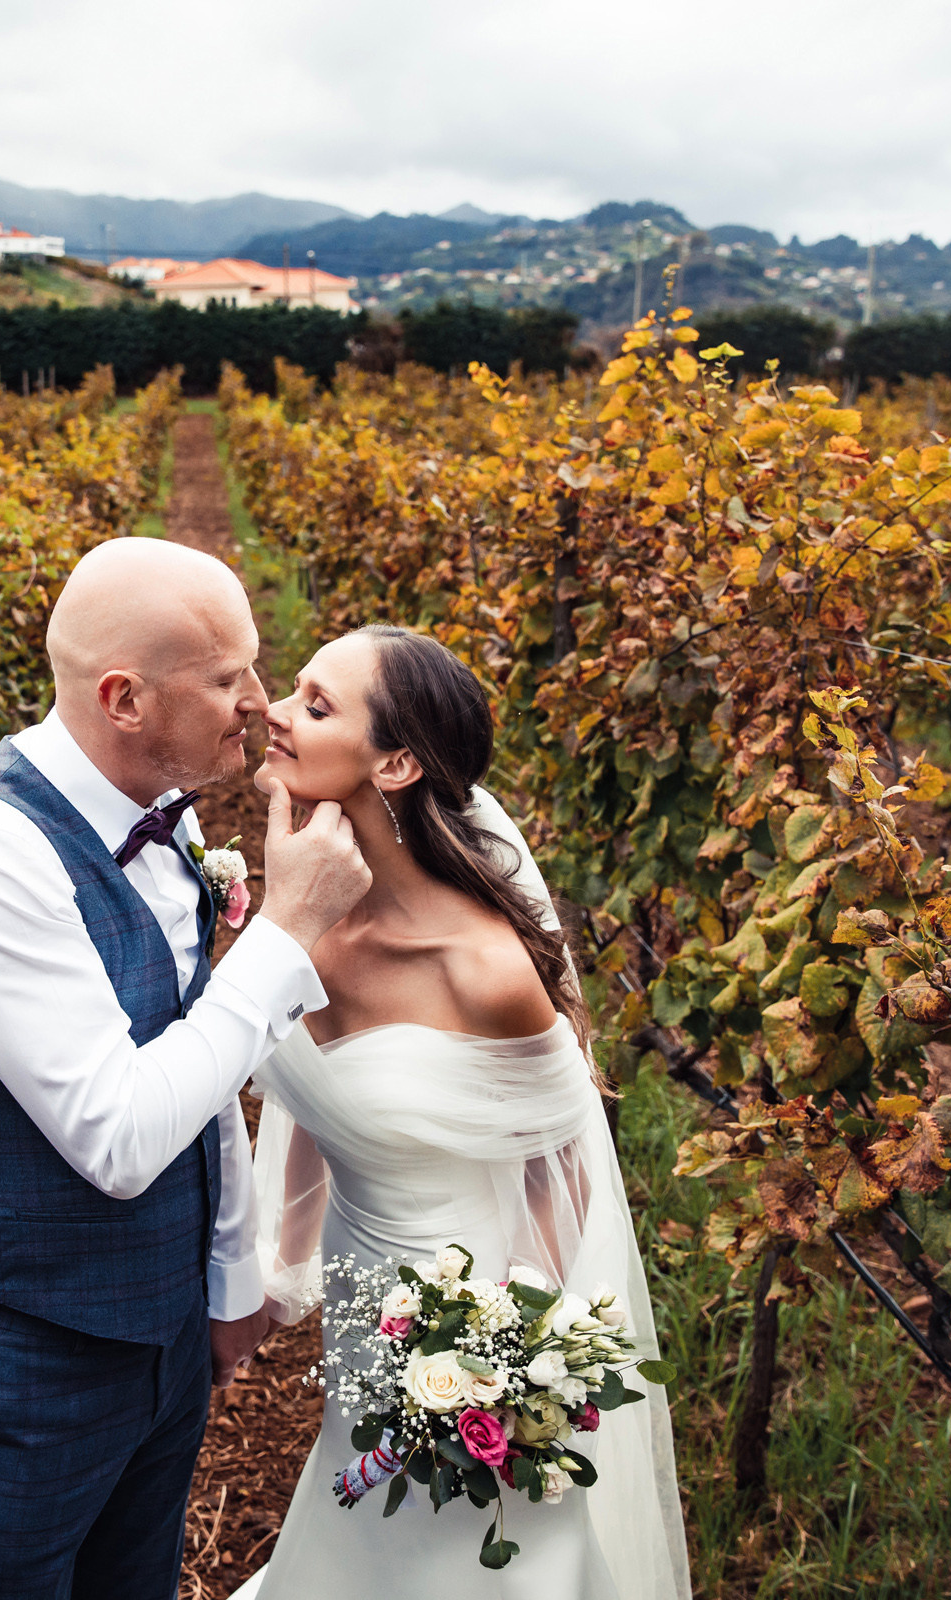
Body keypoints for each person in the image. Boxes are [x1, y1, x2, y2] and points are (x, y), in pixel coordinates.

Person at [0, 538, 372, 1600]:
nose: (260, 700)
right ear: (124, 699)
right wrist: (284, 934)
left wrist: (227, 1281)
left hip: (165, 1341)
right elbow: (120, 1136)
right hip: (27, 1364)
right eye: (229, 676)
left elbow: (198, 1064)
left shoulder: (154, 816)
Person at [230, 625, 692, 1599]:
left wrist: (511, 1361)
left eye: (316, 704)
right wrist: (278, 1273)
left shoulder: (485, 972)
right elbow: (321, 1103)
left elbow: (563, 1171)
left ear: (394, 764)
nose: (275, 710)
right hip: (359, 1308)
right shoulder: (304, 916)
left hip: (463, 1321)